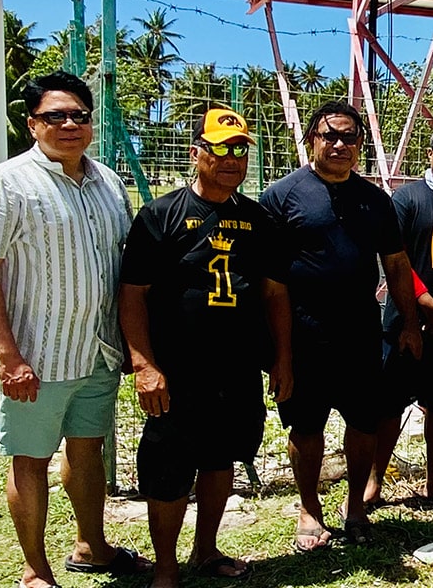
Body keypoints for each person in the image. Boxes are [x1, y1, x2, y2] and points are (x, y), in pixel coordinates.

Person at [0, 71, 151, 588]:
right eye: (55, 116)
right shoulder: (6, 184)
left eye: (79, 116)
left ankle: (92, 546)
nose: (69, 124)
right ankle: (36, 570)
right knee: (31, 458)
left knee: (88, 448)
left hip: (97, 352)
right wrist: (8, 355)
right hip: (37, 358)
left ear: (91, 123)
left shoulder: (109, 183)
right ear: (32, 124)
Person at [118, 108, 293, 587]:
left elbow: (276, 294)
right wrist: (144, 364)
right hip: (176, 371)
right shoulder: (161, 215)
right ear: (196, 153)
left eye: (240, 149)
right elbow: (132, 294)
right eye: (220, 148)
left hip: (235, 369)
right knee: (169, 468)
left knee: (221, 459)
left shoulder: (257, 220)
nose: (231, 158)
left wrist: (282, 358)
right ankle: (167, 568)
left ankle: (206, 550)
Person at [260, 100, 422, 549]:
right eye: (329, 135)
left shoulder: (375, 200)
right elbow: (271, 284)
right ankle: (309, 508)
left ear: (360, 146)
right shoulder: (282, 196)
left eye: (349, 137)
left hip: (361, 334)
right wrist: (281, 352)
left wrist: (409, 322)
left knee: (364, 424)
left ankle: (355, 508)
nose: (338, 144)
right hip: (303, 334)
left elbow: (396, 263)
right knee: (306, 426)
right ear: (311, 139)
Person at [369, 126, 433, 507]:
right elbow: (396, 261)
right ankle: (373, 481)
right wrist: (422, 307)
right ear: (430, 152)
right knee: (389, 406)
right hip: (404, 322)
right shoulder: (407, 199)